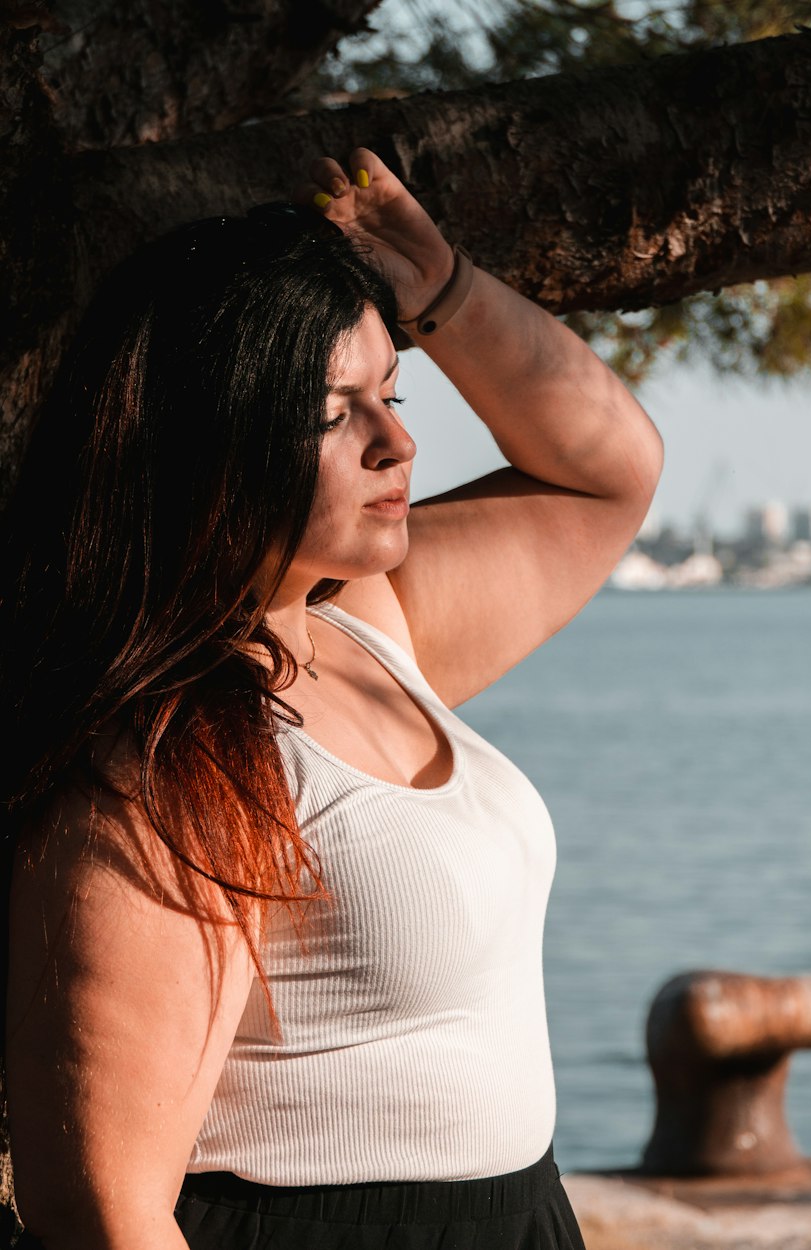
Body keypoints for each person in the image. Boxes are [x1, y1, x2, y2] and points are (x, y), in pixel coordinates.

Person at [1, 148, 663, 1249]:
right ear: (211, 432)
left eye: (391, 393)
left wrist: (444, 290)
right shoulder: (154, 757)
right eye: (335, 409)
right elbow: (103, 1212)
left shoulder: (363, 621)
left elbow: (611, 468)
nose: (398, 440)